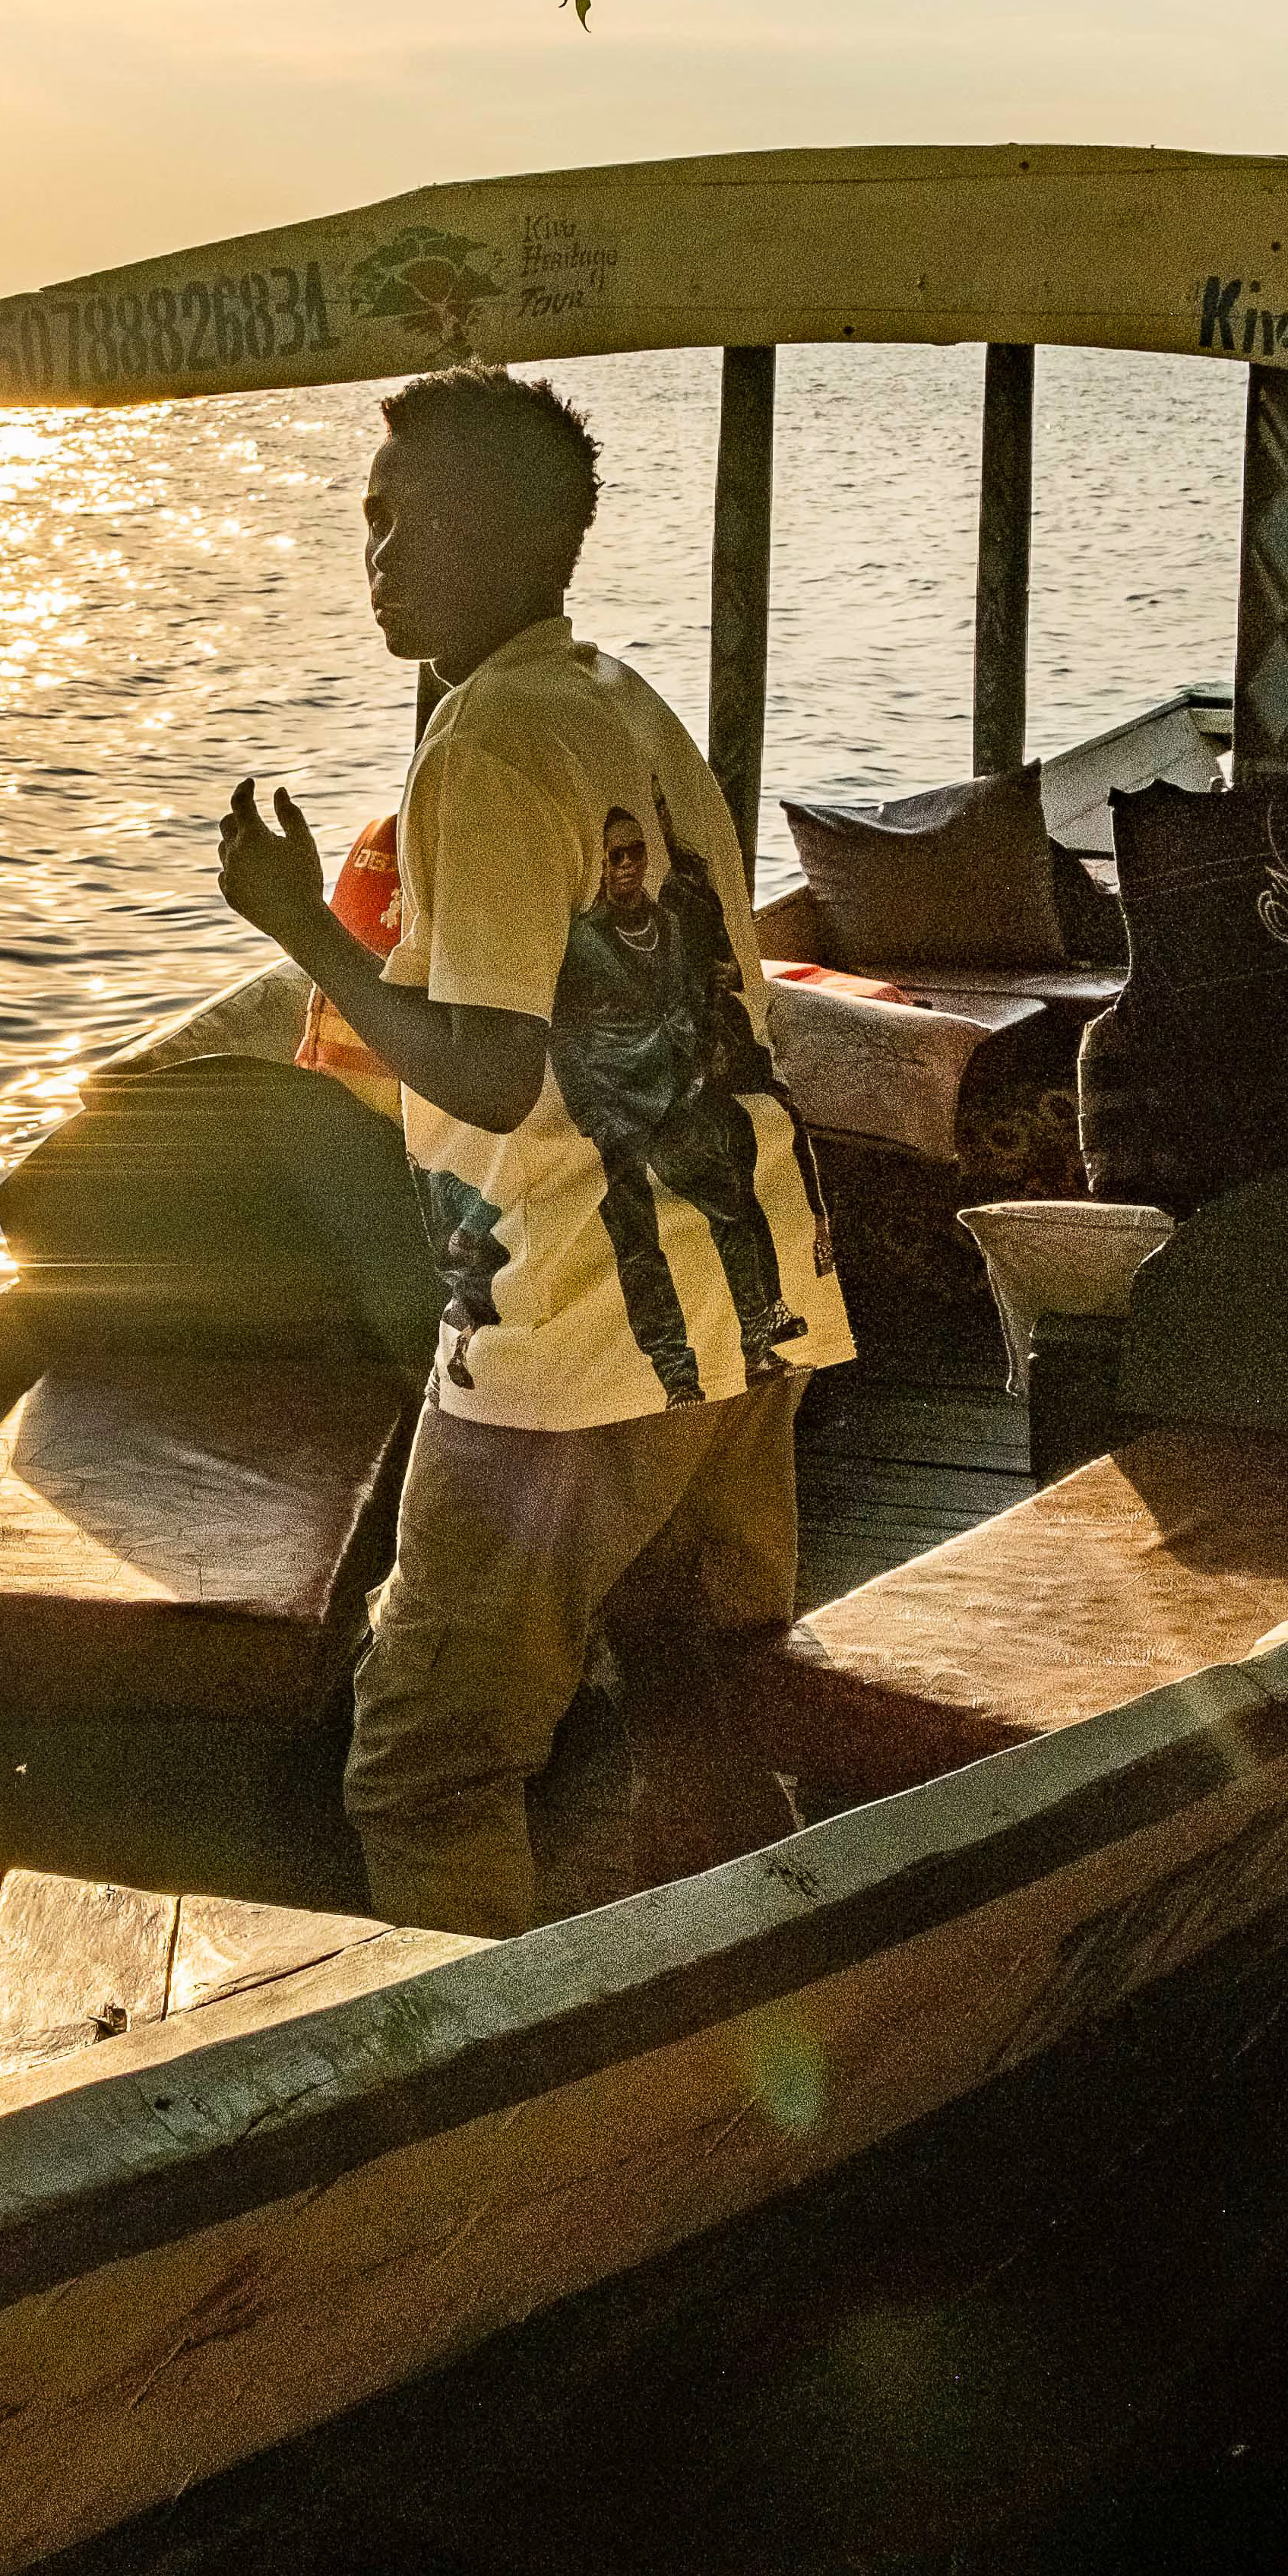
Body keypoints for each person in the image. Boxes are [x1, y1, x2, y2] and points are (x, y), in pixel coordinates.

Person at [217, 363, 852, 1936]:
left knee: (425, 1770)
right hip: (745, 1298)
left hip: (569, 1339)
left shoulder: (488, 744)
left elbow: (494, 1076)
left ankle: (486, 2116)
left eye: (416, 521)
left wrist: (305, 928)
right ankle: (717, 2024)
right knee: (701, 1701)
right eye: (368, 519)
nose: (377, 554)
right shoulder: (612, 703)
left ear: (521, 534)